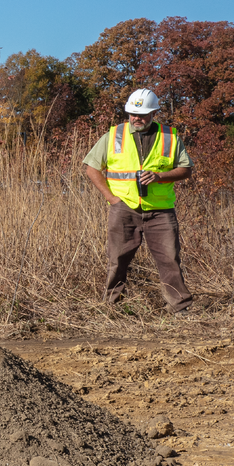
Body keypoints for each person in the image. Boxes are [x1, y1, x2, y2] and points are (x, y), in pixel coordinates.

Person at [81, 88, 193, 313]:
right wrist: (112, 199)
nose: (136, 118)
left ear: (153, 113)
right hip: (124, 209)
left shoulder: (170, 137)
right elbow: (91, 168)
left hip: (161, 211)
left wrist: (160, 177)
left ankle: (179, 309)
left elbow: (186, 170)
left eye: (141, 114)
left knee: (170, 261)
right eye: (132, 113)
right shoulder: (113, 135)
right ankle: (111, 307)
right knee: (117, 261)